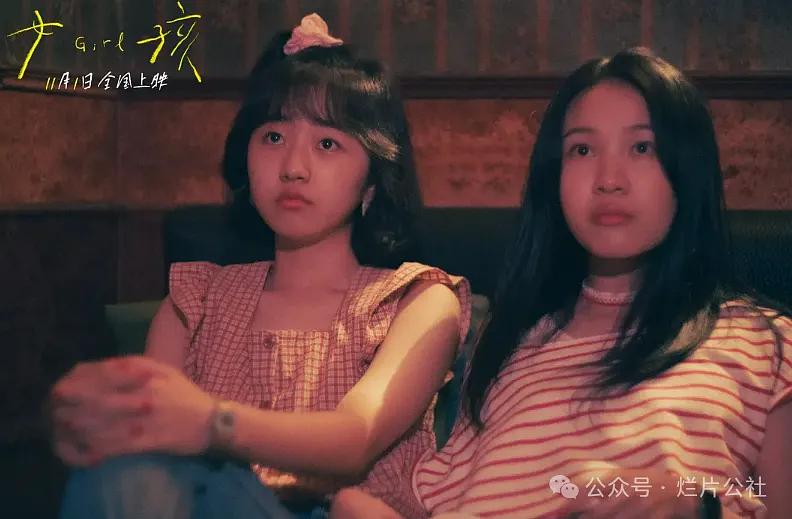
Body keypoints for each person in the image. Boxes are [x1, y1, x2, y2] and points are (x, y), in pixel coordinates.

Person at [332, 48, 792, 519]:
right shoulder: (506, 344)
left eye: (642, 148)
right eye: (582, 150)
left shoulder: (766, 344)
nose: (609, 180)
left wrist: (698, 505)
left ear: (687, 168)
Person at [50, 14, 470, 519]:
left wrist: (211, 422)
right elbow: (148, 434)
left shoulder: (415, 300)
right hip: (201, 504)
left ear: (372, 181)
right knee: (126, 472)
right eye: (272, 137)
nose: (292, 167)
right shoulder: (195, 300)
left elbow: (354, 440)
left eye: (327, 144)